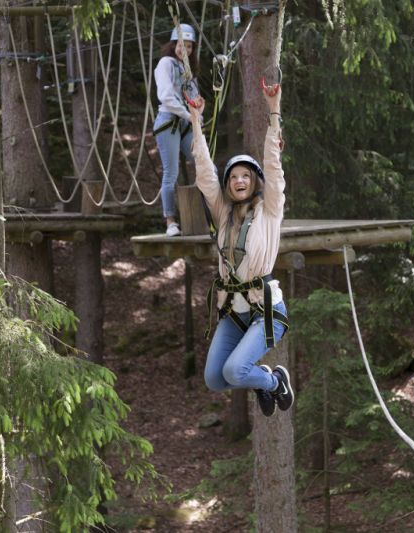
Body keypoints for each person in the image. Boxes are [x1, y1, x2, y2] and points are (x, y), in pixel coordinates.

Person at [187, 83, 294, 417]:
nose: (239, 180)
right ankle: (263, 379)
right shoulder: (223, 213)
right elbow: (205, 174)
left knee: (233, 372)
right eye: (233, 176)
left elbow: (274, 168)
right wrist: (195, 120)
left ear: (254, 181)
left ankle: (274, 382)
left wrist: (273, 110)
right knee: (215, 380)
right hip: (233, 310)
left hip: (264, 311)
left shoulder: (270, 209)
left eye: (246, 175)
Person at [154, 23, 198, 237]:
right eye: (182, 45)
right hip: (169, 121)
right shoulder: (166, 63)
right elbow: (166, 96)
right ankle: (170, 221)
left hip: (186, 122)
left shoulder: (187, 70)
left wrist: (198, 115)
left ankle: (211, 212)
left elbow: (195, 98)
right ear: (174, 45)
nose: (185, 50)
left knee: (205, 165)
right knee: (171, 173)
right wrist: (189, 115)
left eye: (189, 47)